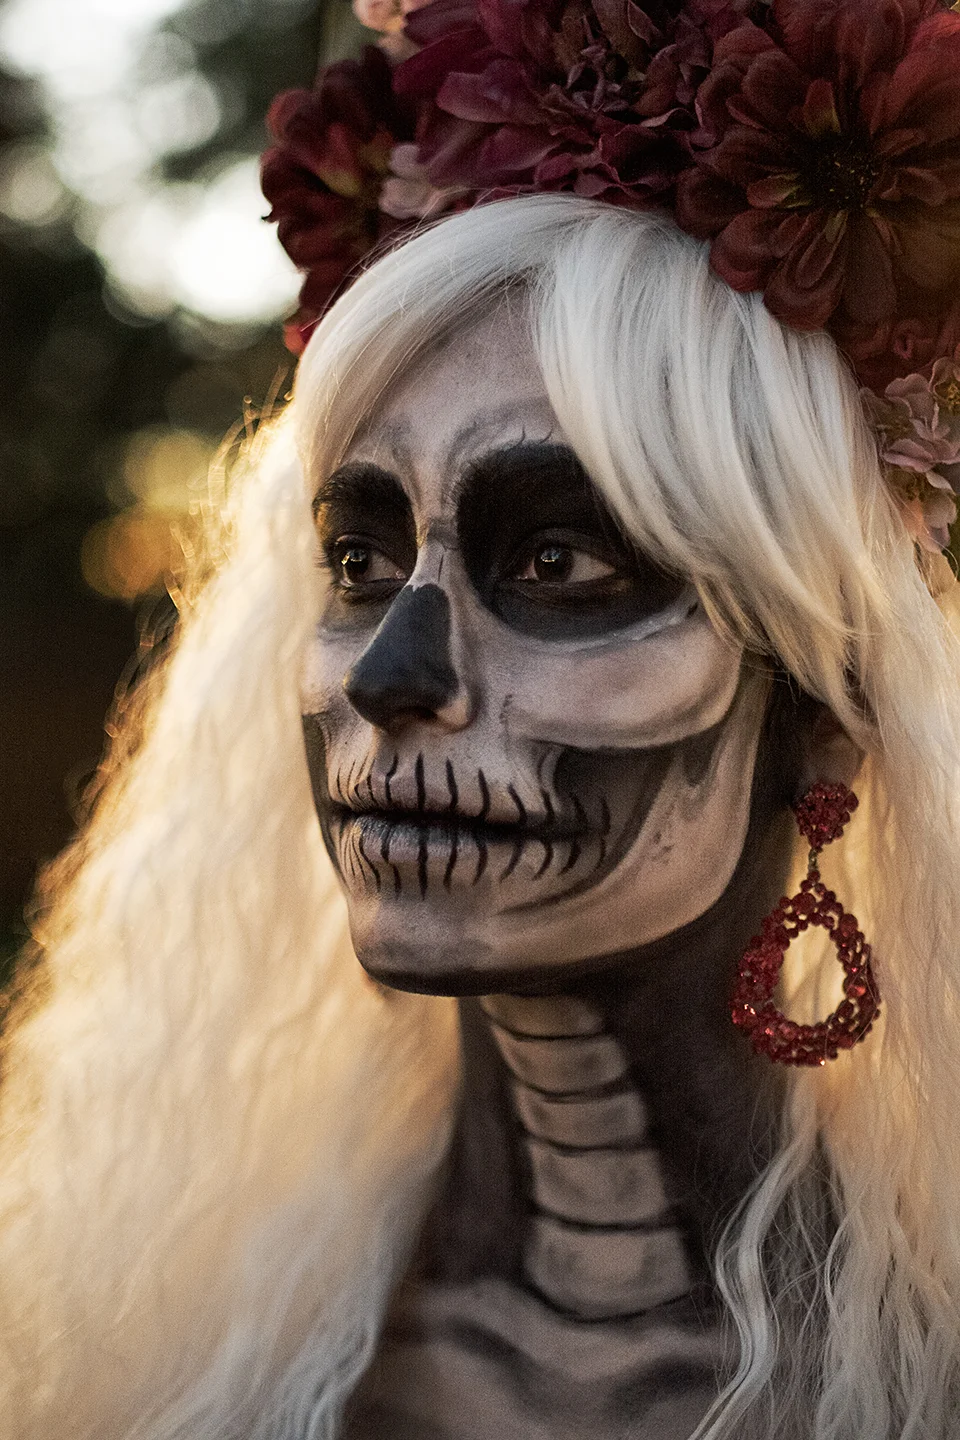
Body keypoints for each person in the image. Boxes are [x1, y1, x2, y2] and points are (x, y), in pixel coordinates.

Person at [3, 2, 960, 1438]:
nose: (394, 675)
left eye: (563, 561)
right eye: (358, 561)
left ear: (823, 710)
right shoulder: (164, 1346)